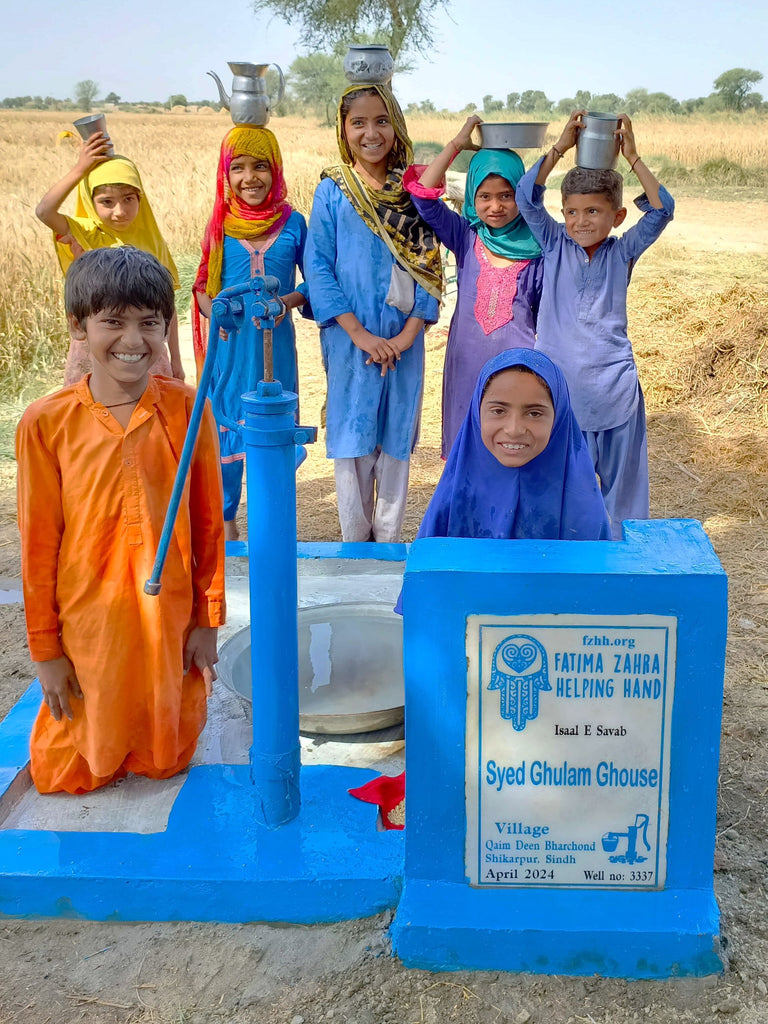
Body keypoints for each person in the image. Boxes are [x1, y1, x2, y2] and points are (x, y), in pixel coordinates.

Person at [16, 247, 225, 795]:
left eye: (148, 323)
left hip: (168, 612)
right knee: (71, 765)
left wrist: (207, 619)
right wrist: (45, 650)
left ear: (166, 328)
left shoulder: (187, 409)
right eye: (113, 321)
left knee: (165, 755)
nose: (133, 341)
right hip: (88, 615)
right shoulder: (45, 423)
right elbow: (38, 544)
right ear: (78, 326)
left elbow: (208, 524)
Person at [515, 112, 674, 539]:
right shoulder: (554, 244)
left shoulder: (622, 253)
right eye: (571, 211)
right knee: (561, 492)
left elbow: (663, 211)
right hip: (561, 394)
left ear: (617, 216)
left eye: (593, 211)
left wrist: (633, 158)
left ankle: (621, 569)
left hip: (614, 390)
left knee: (622, 500)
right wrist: (560, 147)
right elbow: (525, 196)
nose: (580, 221)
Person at [304, 84, 442, 543]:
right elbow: (318, 266)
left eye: (381, 120)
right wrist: (359, 334)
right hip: (349, 342)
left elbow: (429, 263)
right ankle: (353, 551)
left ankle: (387, 548)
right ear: (343, 131)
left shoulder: (412, 193)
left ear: (397, 125)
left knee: (397, 440)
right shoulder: (332, 190)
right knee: (352, 440)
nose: (371, 132)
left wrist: (406, 336)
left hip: (405, 343)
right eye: (358, 122)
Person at [193, 125, 310, 541]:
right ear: (226, 173)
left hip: (275, 350)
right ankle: (228, 527)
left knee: (271, 432)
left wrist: (286, 304)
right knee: (226, 432)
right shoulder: (219, 225)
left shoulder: (294, 223)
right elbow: (203, 286)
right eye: (238, 167)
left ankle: (268, 523)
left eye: (260, 166)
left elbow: (313, 283)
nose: (250, 178)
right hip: (230, 352)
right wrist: (219, 313)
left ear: (275, 169)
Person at [403, 115, 543, 457]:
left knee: (512, 449)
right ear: (471, 197)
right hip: (467, 363)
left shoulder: (540, 249)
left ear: (523, 195)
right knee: (469, 450)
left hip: (519, 366)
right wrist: (457, 144)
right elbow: (422, 195)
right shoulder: (466, 237)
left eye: (507, 195)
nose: (495, 206)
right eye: (484, 196)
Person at [412, 348, 610, 543]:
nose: (514, 429)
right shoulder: (454, 496)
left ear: (559, 418)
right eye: (498, 411)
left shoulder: (582, 507)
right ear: (476, 413)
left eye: (534, 413)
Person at [35, 131, 184, 384]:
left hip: (147, 350)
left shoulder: (153, 243)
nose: (120, 211)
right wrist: (80, 169)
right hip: (97, 350)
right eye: (107, 202)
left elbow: (166, 309)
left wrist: (177, 360)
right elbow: (44, 211)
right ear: (90, 202)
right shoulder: (85, 234)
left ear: (141, 199)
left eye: (129, 199)